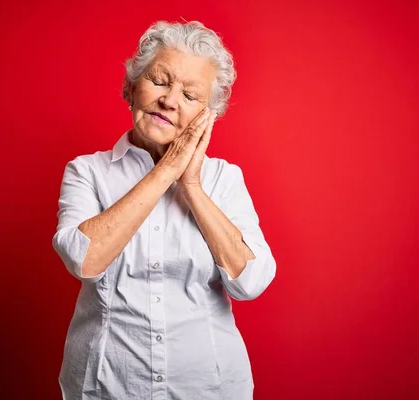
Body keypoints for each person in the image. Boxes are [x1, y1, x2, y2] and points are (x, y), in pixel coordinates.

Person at [52, 20, 277, 400]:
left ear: (207, 115)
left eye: (191, 95)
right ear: (131, 88)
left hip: (209, 388)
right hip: (107, 387)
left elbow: (250, 282)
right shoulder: (86, 171)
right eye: (159, 81)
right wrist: (167, 170)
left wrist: (190, 185)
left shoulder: (224, 179)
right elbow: (84, 260)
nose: (170, 100)